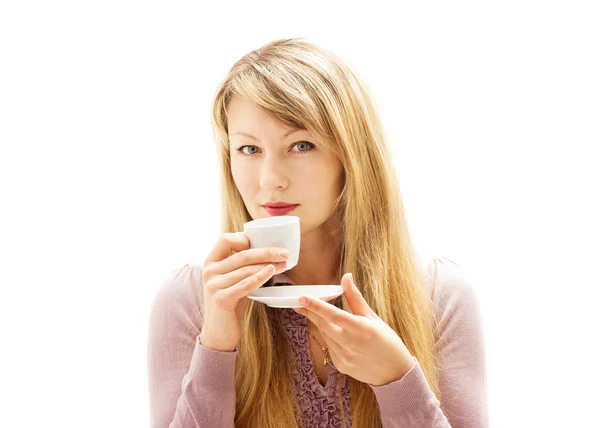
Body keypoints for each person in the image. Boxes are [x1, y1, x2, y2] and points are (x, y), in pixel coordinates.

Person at [147, 38, 488, 428]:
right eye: (248, 149)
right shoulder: (192, 300)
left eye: (301, 145)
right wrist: (217, 346)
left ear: (351, 156)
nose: (270, 179)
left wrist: (397, 383)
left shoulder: (438, 296)